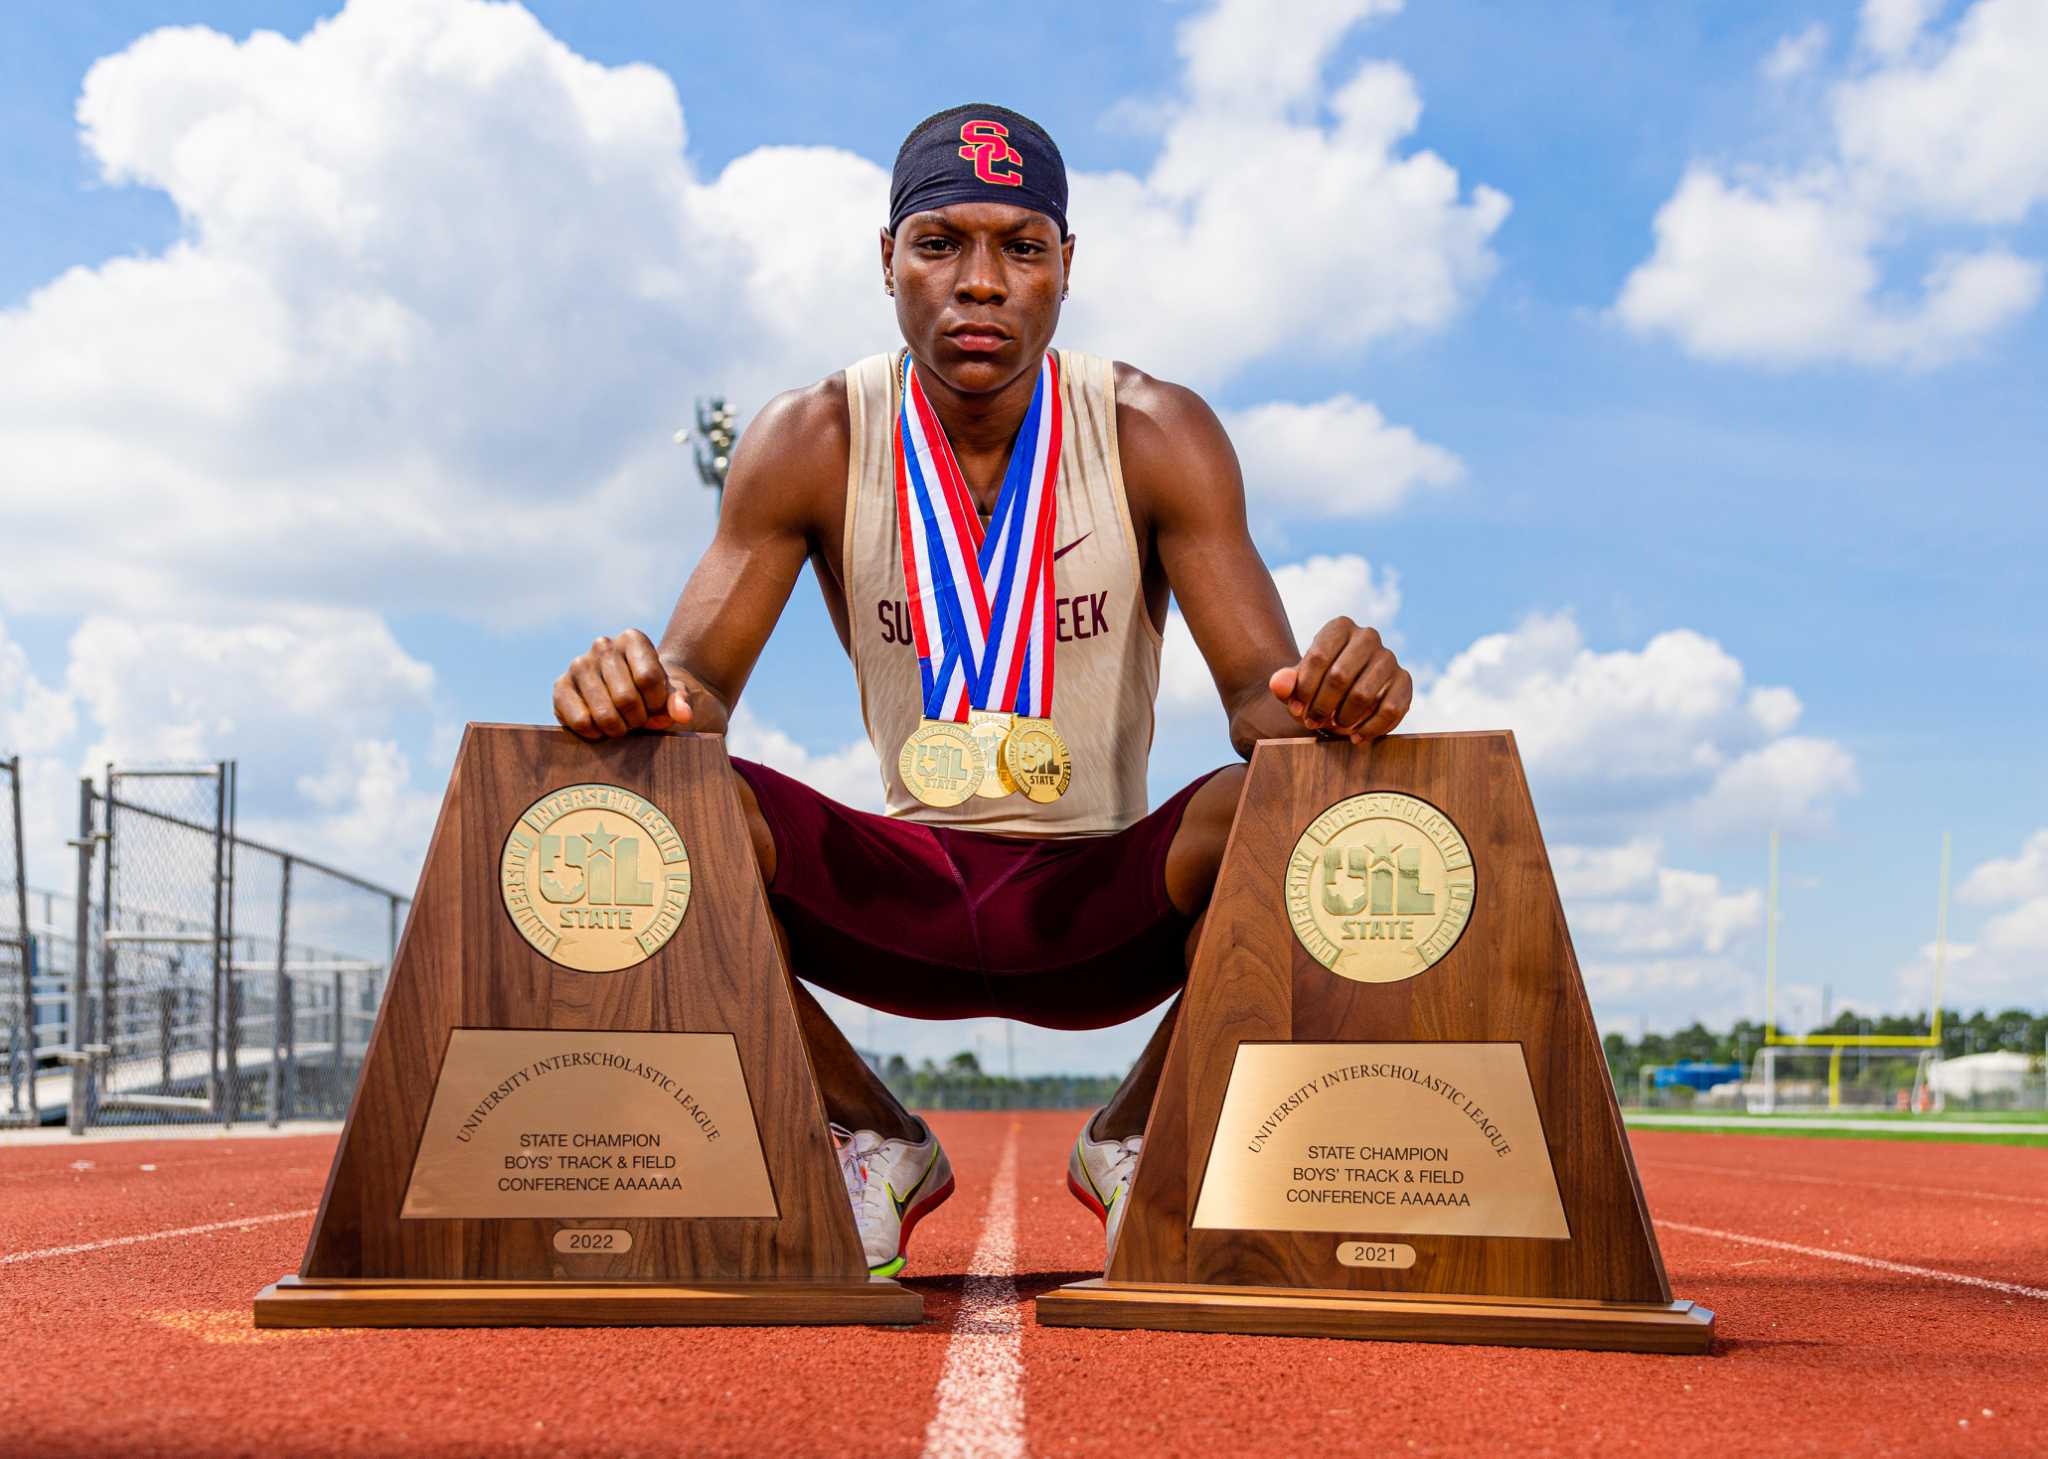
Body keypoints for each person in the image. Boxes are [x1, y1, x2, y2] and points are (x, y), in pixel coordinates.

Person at [553, 103, 1412, 1276]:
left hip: (1105, 899)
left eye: (1020, 246)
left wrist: (1334, 694)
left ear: (1066, 270)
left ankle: (1136, 1133)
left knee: (1310, 799)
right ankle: (866, 1130)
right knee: (640, 799)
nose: (980, 283)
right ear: (886, 260)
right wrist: (638, 688)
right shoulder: (809, 436)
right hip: (896, 893)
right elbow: (693, 688)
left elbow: (1263, 710)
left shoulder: (1153, 429)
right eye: (940, 242)